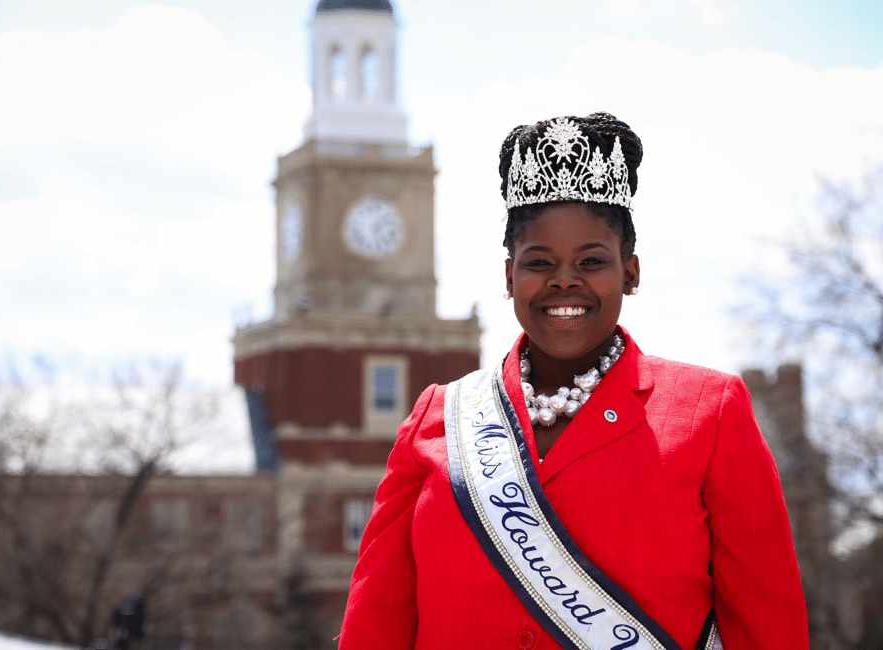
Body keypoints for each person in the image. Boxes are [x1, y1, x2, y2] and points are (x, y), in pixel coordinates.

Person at [337, 113, 808, 650]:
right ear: (509, 276)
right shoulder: (438, 417)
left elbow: (768, 624)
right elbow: (375, 623)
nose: (565, 279)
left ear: (630, 273)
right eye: (540, 262)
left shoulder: (710, 411)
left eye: (591, 260)